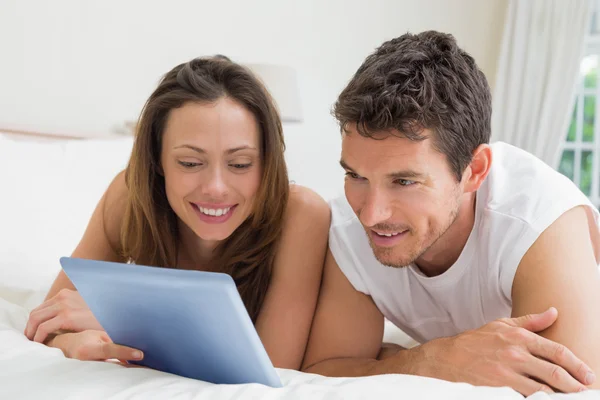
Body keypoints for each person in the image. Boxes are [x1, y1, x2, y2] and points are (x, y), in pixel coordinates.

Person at [301, 31, 600, 395]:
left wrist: (388, 361)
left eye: (405, 181)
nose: (371, 215)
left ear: (474, 170)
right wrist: (431, 359)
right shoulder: (350, 225)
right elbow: (325, 371)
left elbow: (568, 387)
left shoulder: (537, 219)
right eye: (356, 175)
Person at [24, 55, 330, 371]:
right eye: (190, 163)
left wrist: (123, 317)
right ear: (157, 160)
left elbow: (271, 369)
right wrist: (71, 342)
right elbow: (50, 318)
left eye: (240, 164)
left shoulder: (302, 214)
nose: (216, 188)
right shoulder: (131, 195)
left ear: (267, 163)